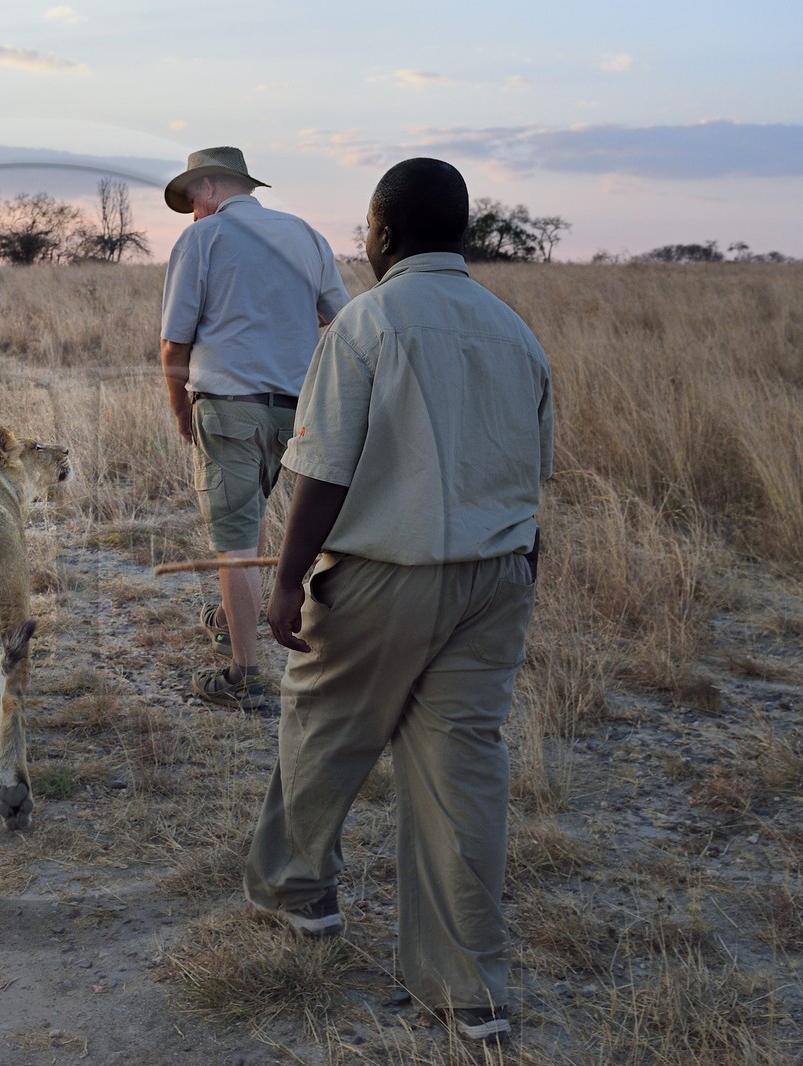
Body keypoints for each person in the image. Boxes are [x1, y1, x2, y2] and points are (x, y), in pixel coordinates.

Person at [244, 157, 553, 1045]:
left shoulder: (367, 323)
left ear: (383, 233)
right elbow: (533, 474)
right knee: (463, 774)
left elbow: (323, 470)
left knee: (324, 725)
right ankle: (471, 993)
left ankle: (296, 892)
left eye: (367, 230)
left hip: (384, 573)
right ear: (460, 233)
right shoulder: (513, 332)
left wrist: (288, 580)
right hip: (497, 581)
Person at [158, 146, 350, 712]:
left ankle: (244, 674)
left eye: (193, 198)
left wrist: (178, 407)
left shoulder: (202, 240)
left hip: (228, 408)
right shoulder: (306, 235)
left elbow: (175, 340)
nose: (193, 211)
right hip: (299, 412)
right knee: (251, 516)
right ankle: (227, 618)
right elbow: (343, 318)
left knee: (235, 539)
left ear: (212, 186)